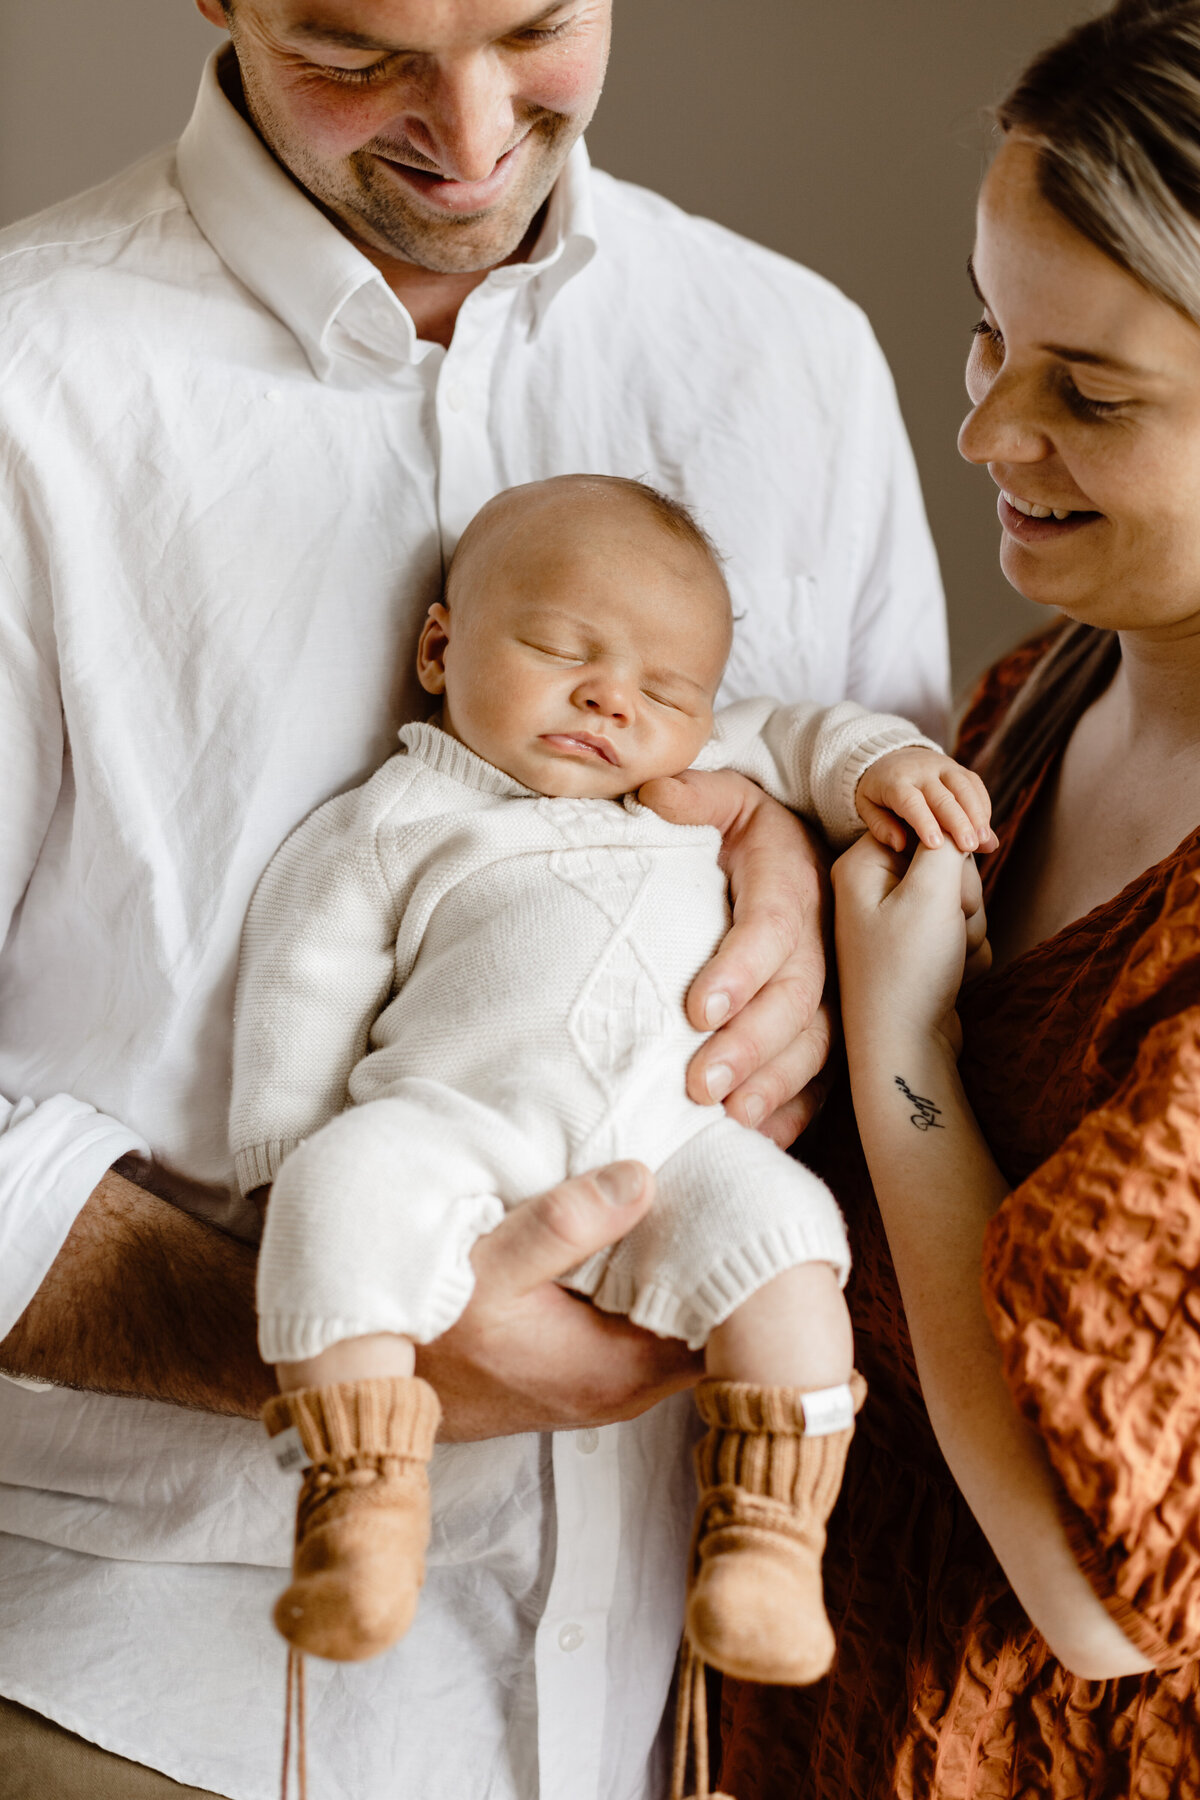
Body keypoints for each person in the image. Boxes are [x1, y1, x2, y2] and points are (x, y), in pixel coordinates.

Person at [0, 2, 946, 1796]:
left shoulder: (790, 359)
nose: (470, 125)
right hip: (140, 1679)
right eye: (357, 47)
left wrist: (797, 881)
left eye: (537, 27)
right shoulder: (25, 384)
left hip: (676, 1711)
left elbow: (899, 893)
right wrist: (311, 1326)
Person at [230, 473, 989, 1684]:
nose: (609, 699)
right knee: (338, 1196)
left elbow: (803, 730)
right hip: (452, 1122)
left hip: (672, 1149)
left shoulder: (685, 782)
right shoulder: (398, 815)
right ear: (440, 648)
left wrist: (884, 768)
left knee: (793, 1245)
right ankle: (361, 1507)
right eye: (556, 650)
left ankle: (767, 1545)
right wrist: (283, 1161)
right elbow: (300, 985)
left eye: (667, 689)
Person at [718, 2, 1200, 1794]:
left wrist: (905, 1044)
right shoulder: (1027, 705)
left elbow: (1096, 1593)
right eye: (989, 331)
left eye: (1093, 393)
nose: (990, 429)